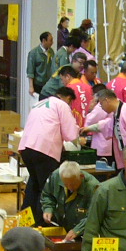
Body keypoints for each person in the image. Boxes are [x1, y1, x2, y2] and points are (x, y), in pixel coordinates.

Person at [18, 87, 81, 218]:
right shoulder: (62, 105)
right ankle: (42, 222)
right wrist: (79, 136)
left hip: (26, 148)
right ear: (68, 99)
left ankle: (26, 220)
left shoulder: (39, 103)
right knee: (45, 188)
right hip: (44, 150)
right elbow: (70, 134)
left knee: (33, 184)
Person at [40, 162, 96, 241]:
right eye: (66, 184)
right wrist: (48, 208)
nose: (70, 188)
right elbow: (47, 194)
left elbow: (94, 215)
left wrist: (77, 230)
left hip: (84, 233)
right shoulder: (55, 176)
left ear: (81, 176)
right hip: (62, 226)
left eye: (73, 184)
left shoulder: (93, 188)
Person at [26, 32, 56, 99]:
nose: (52, 42)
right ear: (44, 41)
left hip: (48, 84)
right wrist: (31, 87)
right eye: (50, 40)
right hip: (38, 84)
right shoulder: (34, 53)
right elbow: (30, 71)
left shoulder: (51, 52)